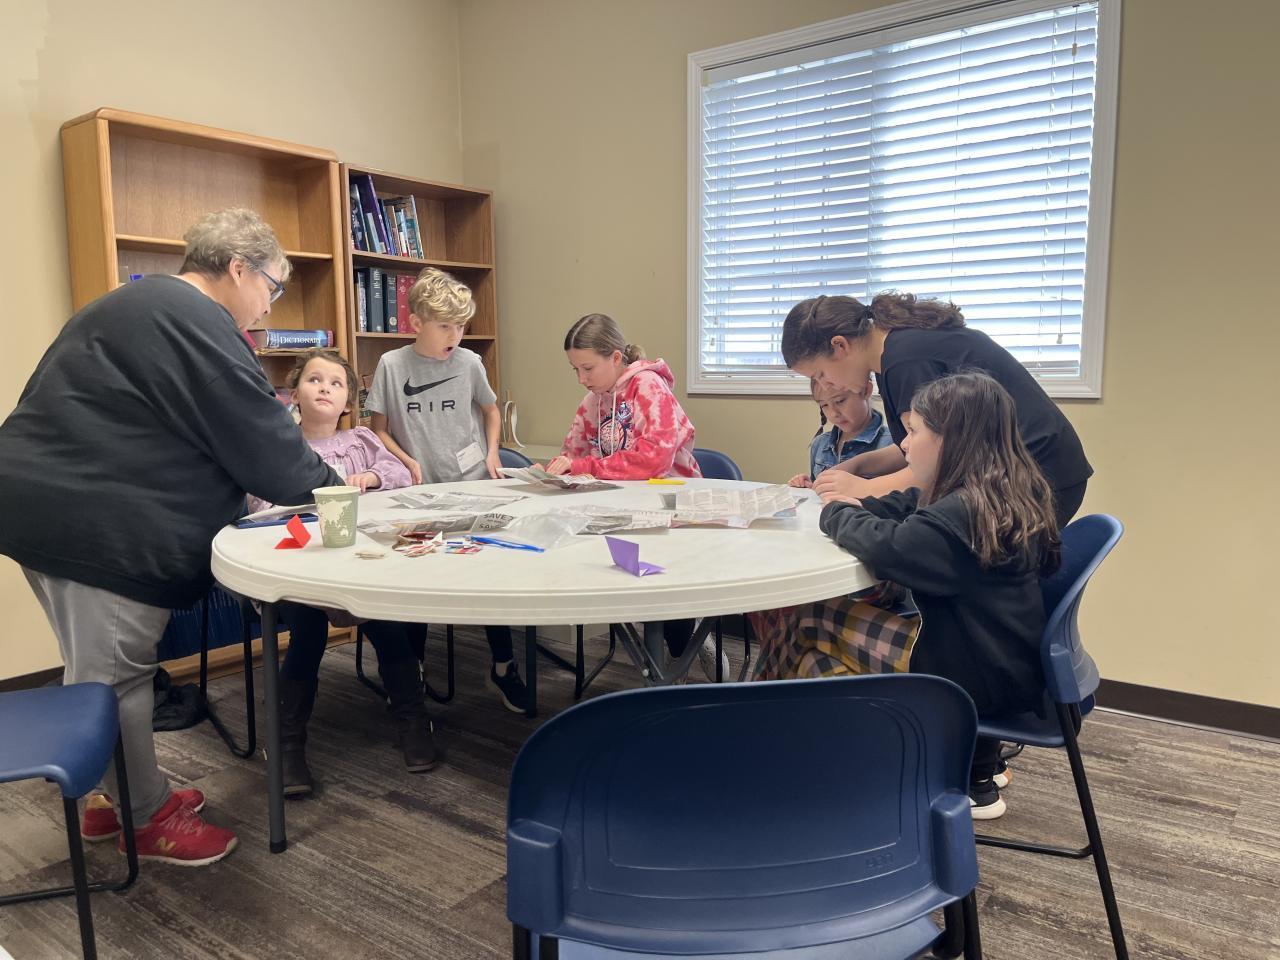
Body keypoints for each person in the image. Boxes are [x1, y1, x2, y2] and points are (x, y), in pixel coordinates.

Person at [0, 208, 341, 865]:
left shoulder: (131, 304)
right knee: (116, 680)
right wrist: (338, 492)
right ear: (238, 268)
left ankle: (116, 798)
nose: (268, 307)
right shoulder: (201, 326)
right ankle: (144, 819)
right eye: (271, 287)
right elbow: (269, 451)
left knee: (97, 671)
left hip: (40, 508)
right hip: (96, 527)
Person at [751, 372, 1060, 819]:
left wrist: (836, 512)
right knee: (815, 662)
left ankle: (762, 739)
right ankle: (859, 762)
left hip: (970, 676)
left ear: (950, 439)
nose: (905, 444)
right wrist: (863, 505)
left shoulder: (961, 515)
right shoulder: (999, 491)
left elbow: (889, 547)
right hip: (998, 658)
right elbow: (907, 509)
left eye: (914, 431)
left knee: (810, 620)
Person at [246, 350, 438, 795]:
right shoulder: (280, 449)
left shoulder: (362, 441)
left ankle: (412, 719)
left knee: (387, 623)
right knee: (308, 633)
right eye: (314, 380)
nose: (325, 388)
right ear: (294, 394)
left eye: (336, 383)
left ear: (348, 400)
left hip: (358, 567)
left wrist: (370, 477)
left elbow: (398, 472)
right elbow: (259, 505)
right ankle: (287, 743)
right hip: (297, 570)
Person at [781, 292, 1092, 528]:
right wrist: (857, 466)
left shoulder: (906, 361)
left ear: (840, 345)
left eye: (820, 374)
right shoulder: (896, 350)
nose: (826, 385)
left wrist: (865, 488)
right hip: (1043, 470)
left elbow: (933, 465)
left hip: (1037, 477)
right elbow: (915, 446)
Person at [365, 266, 528, 713]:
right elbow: (378, 429)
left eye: (461, 326)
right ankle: (411, 673)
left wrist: (493, 453)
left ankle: (503, 666)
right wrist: (405, 459)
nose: (454, 335)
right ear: (416, 322)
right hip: (419, 494)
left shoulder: (470, 362)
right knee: (416, 581)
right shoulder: (392, 365)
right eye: (445, 326)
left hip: (472, 485)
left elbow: (490, 411)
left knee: (488, 577)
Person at [545, 314, 723, 681]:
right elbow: (573, 453)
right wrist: (556, 469)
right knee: (616, 572)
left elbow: (653, 460)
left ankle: (683, 646)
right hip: (620, 506)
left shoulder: (649, 387)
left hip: (671, 505)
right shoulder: (593, 401)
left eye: (587, 368)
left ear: (615, 357)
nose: (581, 378)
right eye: (575, 370)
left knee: (659, 585)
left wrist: (585, 466)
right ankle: (677, 646)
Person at [788, 375, 892, 488]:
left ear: (866, 390)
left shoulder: (892, 444)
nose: (833, 413)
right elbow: (819, 489)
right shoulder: (819, 444)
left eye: (840, 401)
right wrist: (807, 485)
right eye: (824, 405)